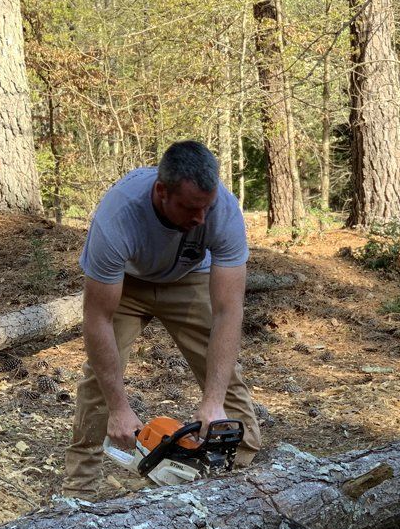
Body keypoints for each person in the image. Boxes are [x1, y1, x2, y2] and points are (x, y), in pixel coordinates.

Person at [62, 141, 261, 500]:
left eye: (207, 206)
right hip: (128, 283)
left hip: (189, 279)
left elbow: (228, 311)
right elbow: (97, 319)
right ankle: (79, 492)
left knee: (225, 380)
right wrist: (120, 409)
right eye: (189, 208)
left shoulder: (223, 210)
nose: (200, 218)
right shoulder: (118, 215)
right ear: (161, 192)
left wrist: (212, 401)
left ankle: (243, 482)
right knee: (99, 383)